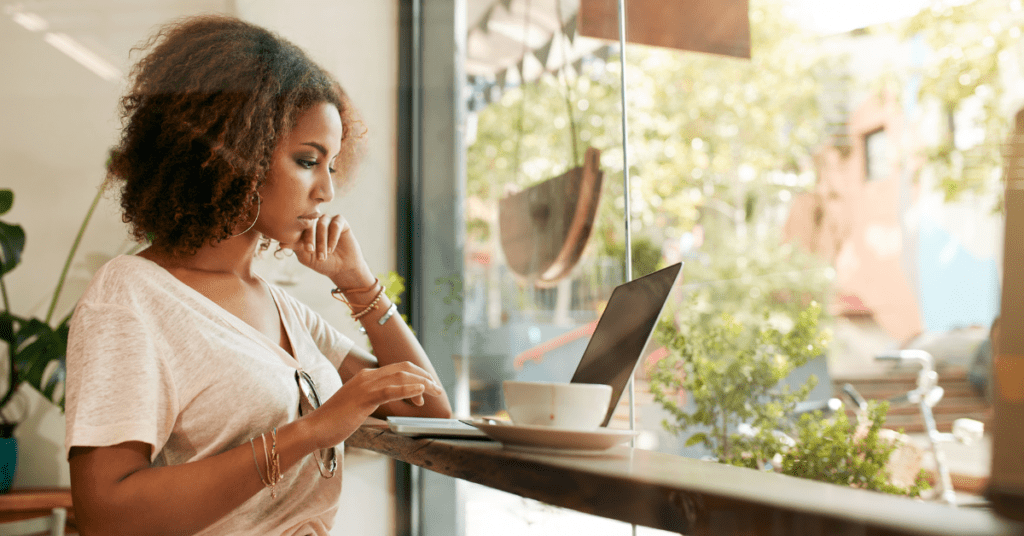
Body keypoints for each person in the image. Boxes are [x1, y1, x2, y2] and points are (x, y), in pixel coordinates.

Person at [64, 15, 451, 536]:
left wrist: (360, 284)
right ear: (234, 152)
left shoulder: (282, 309)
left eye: (331, 166)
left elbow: (429, 411)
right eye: (308, 160)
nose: (326, 191)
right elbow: (105, 515)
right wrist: (311, 431)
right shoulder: (132, 295)